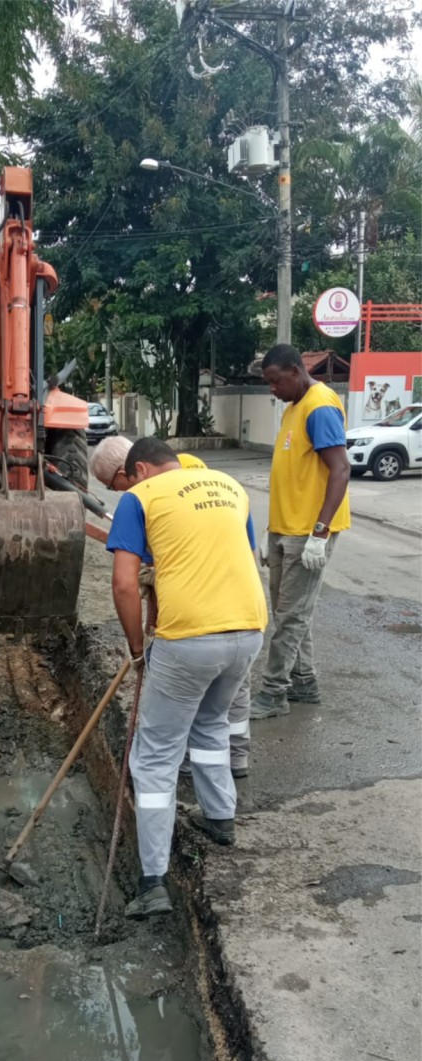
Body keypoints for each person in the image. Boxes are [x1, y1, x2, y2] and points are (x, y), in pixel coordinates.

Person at [105, 437, 268, 920]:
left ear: (138, 470)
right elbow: (243, 557)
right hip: (248, 630)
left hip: (190, 640)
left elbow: (123, 583)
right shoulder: (230, 485)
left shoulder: (139, 498)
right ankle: (220, 819)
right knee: (211, 725)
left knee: (154, 757)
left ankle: (152, 880)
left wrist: (138, 649)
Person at [91, 435, 254, 779]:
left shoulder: (148, 491)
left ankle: (200, 760)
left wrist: (137, 649)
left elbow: (131, 577)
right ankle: (222, 767)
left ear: (133, 470)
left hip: (200, 613)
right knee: (216, 709)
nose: (121, 492)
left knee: (196, 701)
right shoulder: (214, 479)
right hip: (245, 614)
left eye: (117, 484)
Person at [249, 343, 351, 719]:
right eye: (268, 383)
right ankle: (304, 681)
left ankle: (274, 692)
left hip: (308, 533)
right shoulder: (295, 408)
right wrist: (270, 529)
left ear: (295, 371)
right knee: (289, 612)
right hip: (284, 529)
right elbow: (293, 477)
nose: (272, 390)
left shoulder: (320, 406)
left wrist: (320, 534)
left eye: (275, 382)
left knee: (291, 616)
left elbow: (340, 470)